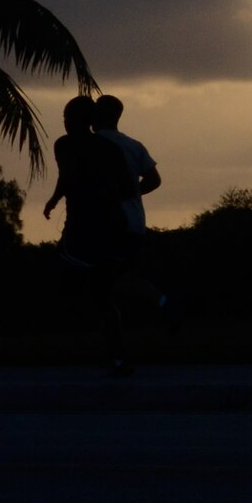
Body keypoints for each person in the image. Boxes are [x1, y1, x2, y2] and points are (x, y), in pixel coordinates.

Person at [43, 95, 139, 374]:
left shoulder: (70, 146)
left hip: (90, 229)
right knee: (99, 295)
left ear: (80, 120)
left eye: (67, 116)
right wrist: (56, 199)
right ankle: (114, 355)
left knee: (82, 290)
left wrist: (77, 197)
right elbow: (126, 189)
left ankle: (108, 353)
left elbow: (70, 177)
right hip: (101, 227)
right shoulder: (101, 149)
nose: (64, 121)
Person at [90, 93, 174, 329]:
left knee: (105, 280)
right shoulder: (133, 145)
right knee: (123, 278)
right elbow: (154, 180)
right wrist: (132, 193)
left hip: (108, 224)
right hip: (134, 222)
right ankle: (156, 308)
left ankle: (161, 304)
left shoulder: (92, 145)